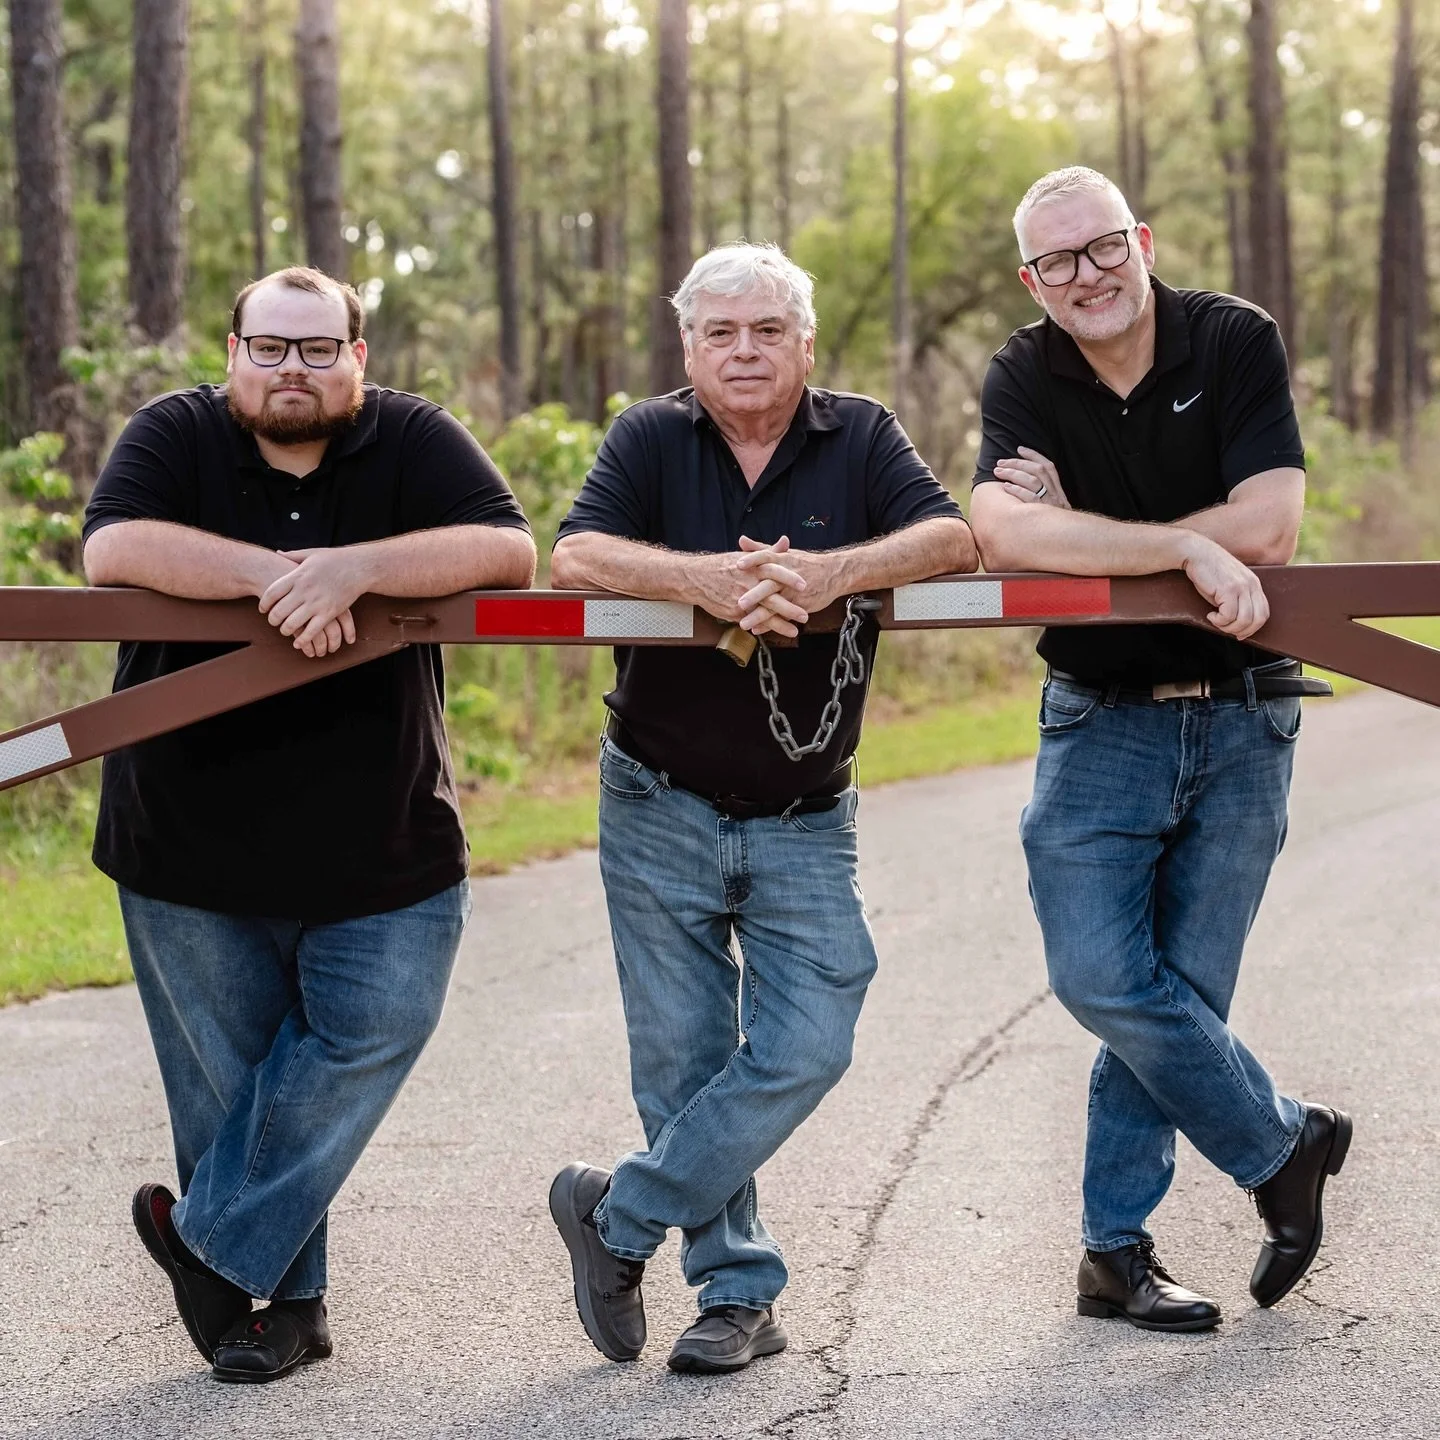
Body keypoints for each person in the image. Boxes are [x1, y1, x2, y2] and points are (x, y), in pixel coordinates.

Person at [82, 265, 535, 1382]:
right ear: (234, 351)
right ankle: (281, 1311)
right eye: (272, 347)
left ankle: (206, 1244)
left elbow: (508, 550)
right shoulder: (174, 431)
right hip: (186, 840)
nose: (295, 368)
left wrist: (358, 570)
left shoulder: (414, 437)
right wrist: (278, 580)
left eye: (319, 348)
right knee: (229, 1085)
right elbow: (112, 547)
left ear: (356, 357)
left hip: (385, 837)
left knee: (374, 1030)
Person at [546, 242, 975, 1374]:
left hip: (805, 809)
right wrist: (702, 579)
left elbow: (952, 537)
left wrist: (832, 575)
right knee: (683, 1057)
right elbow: (576, 554)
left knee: (812, 1038)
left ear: (806, 345)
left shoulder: (863, 434)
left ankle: (617, 1217)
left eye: (768, 330)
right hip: (655, 793)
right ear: (689, 348)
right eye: (721, 333)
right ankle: (736, 1296)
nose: (745, 351)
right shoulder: (649, 435)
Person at [968, 167, 1350, 1332]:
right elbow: (1000, 531)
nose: (1085, 276)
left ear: (1139, 240)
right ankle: (1281, 1145)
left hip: (1245, 714)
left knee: (1180, 994)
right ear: (1031, 280)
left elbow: (1271, 524)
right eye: (1056, 262)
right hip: (1100, 718)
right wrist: (1186, 546)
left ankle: (1113, 1253)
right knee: (1102, 978)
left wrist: (1092, 533)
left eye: (1101, 248)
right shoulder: (1023, 372)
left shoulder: (1232, 340)